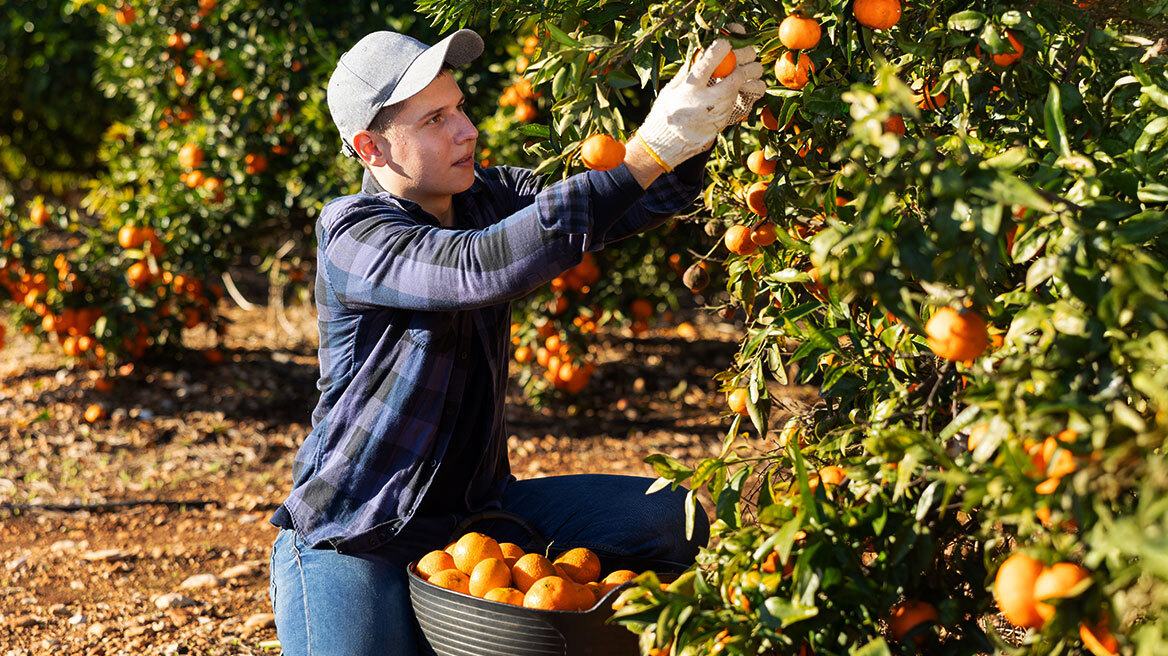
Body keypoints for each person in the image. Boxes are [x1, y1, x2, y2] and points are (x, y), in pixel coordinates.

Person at [267, 26, 765, 656]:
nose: (467, 130)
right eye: (435, 119)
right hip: (359, 530)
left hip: (478, 516)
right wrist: (649, 149)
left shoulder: (487, 195)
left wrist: (705, 125)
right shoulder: (353, 234)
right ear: (372, 147)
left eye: (460, 107)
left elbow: (623, 202)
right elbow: (476, 267)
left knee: (672, 516)